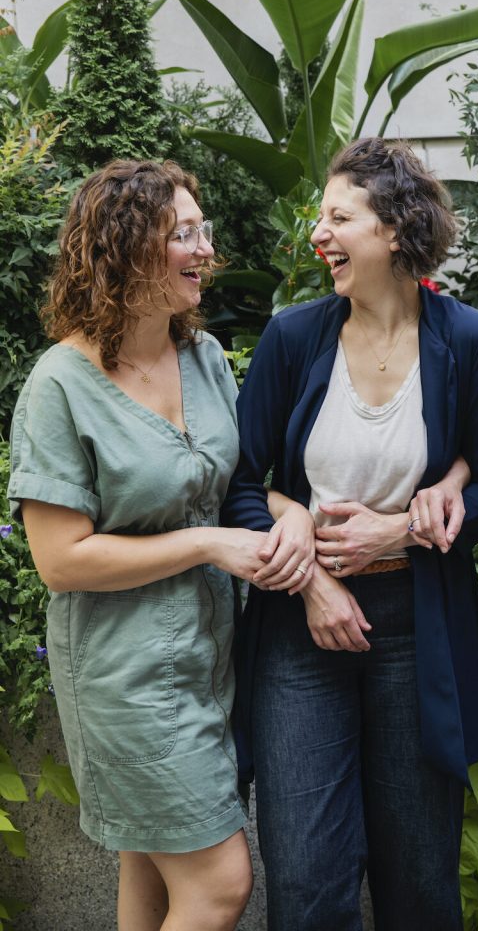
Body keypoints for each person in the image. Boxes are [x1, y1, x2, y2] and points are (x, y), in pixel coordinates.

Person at [7, 159, 313, 931]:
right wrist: (206, 545)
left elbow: (232, 485)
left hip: (210, 661)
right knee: (219, 884)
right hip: (124, 679)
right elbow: (61, 560)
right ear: (124, 248)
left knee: (149, 874)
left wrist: (294, 516)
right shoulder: (59, 385)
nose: (206, 249)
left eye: (203, 231)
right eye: (185, 234)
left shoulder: (203, 358)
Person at [223, 136, 478, 931]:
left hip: (417, 624)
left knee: (420, 872)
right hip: (299, 627)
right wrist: (312, 580)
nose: (319, 234)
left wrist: (399, 533)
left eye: (339, 217)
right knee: (306, 878)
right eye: (321, 219)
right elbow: (239, 483)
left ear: (394, 228)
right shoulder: (293, 338)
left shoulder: (467, 339)